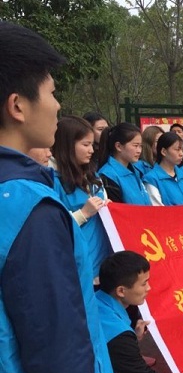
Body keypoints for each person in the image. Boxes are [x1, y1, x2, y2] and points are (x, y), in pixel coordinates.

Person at [0, 21, 121, 373]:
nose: (57, 106)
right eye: (52, 93)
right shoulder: (28, 207)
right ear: (18, 105)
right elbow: (61, 359)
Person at [51, 115, 112, 280]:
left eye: (92, 144)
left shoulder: (93, 176)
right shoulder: (53, 181)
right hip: (79, 268)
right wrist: (83, 213)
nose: (91, 150)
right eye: (85, 145)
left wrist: (108, 206)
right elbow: (52, 228)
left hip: (104, 263)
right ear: (67, 145)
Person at [98, 122, 152, 205]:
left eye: (140, 146)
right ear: (118, 146)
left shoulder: (135, 171)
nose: (139, 151)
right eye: (135, 145)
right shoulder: (107, 176)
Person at [143, 130, 183, 206]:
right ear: (164, 151)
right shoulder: (152, 179)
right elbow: (157, 209)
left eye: (182, 150)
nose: (181, 154)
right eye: (177, 149)